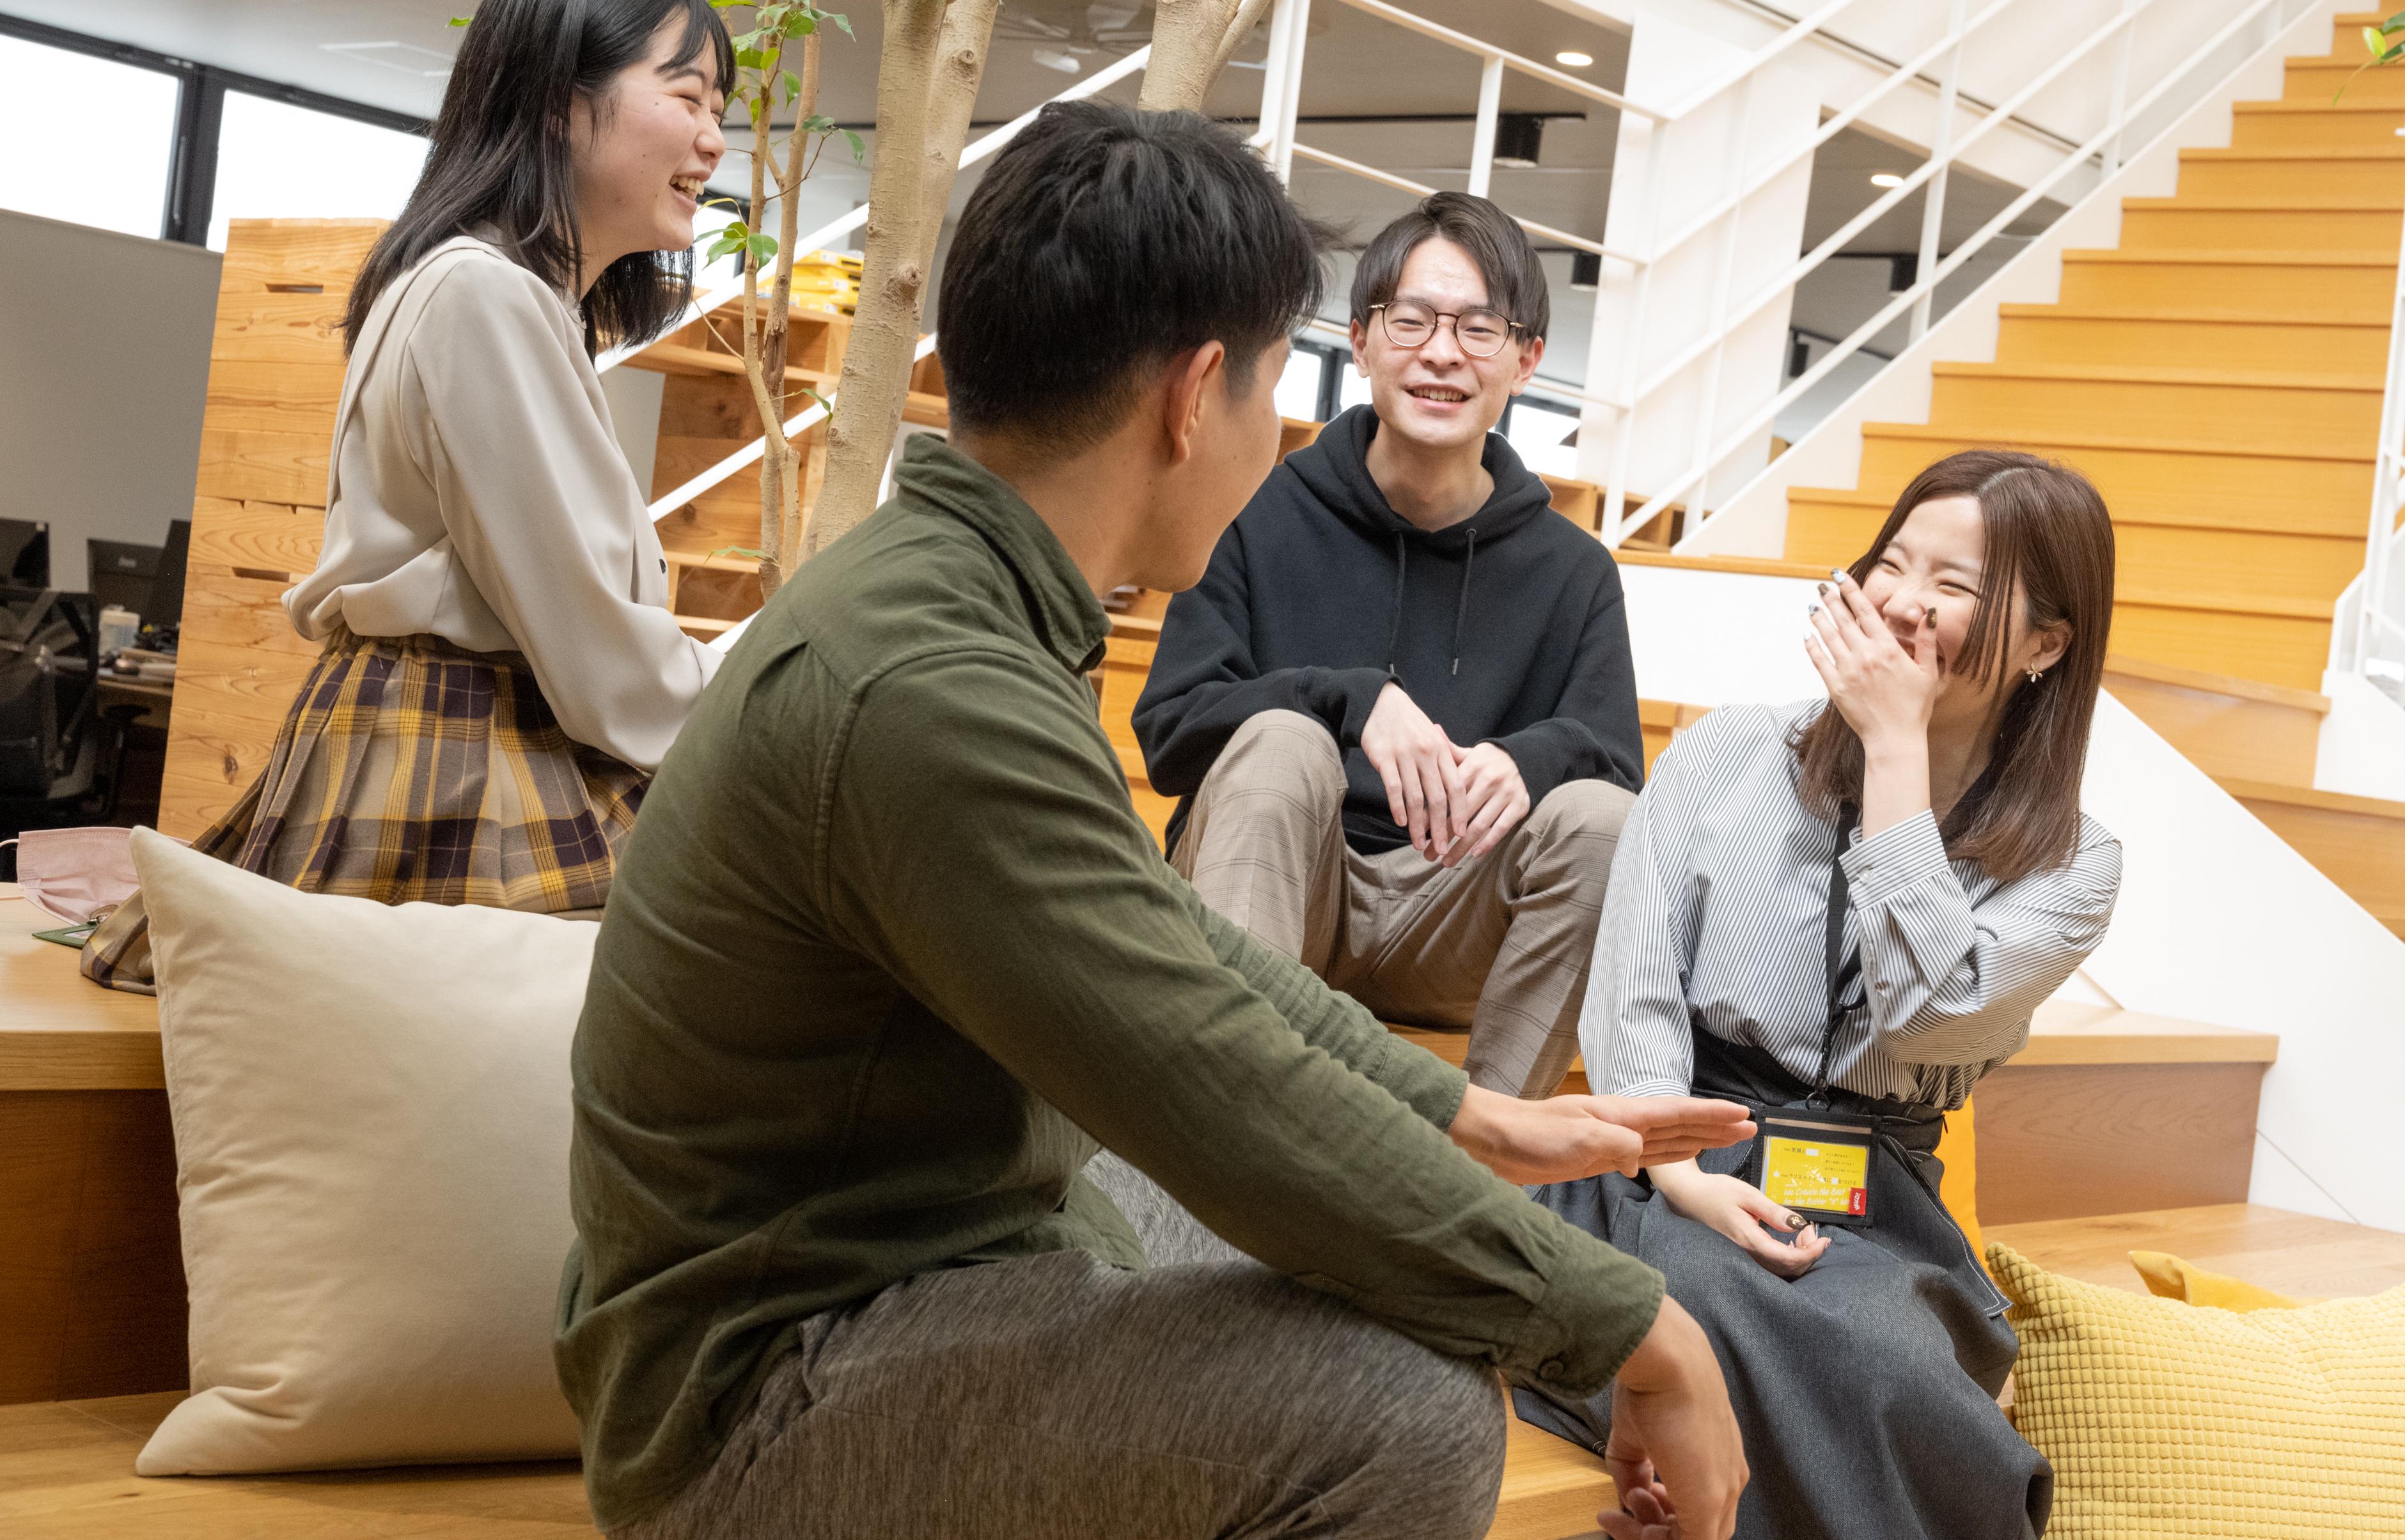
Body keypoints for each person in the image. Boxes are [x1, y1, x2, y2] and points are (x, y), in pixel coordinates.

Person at [558, 103, 1755, 1540]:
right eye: (1272, 386)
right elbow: (1212, 1076)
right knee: (1410, 1409)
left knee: (1375, 1276)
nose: (1277, 433)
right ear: (1195, 396)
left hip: (950, 1255)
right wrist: (1640, 1330)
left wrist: (1475, 1113)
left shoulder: (957, 602)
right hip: (767, 1397)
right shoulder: (931, 684)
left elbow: (1186, 955)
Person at [83, 0, 725, 987]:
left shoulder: (493, 291)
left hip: (430, 737)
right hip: (463, 754)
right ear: (560, 103)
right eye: (688, 97)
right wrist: (757, 685)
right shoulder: (484, 293)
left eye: (719, 111)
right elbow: (598, 659)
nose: (712, 141)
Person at [1516, 449, 2124, 1539]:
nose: (1903, 600)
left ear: (2045, 645)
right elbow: (1635, 996)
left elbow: (1924, 1014)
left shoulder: (2075, 865)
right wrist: (1680, 1172)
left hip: (1879, 1207)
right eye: (1893, 562)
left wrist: (1895, 751)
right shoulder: (1727, 751)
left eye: (1955, 584)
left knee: (1886, 1357)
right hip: (1672, 1158)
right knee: (1694, 1284)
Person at [1133, 192, 1640, 1101]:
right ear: (1362, 342)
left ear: (1525, 360)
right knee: (1283, 742)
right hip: (1272, 879)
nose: (1442, 353)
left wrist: (1527, 761)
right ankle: (1233, 1128)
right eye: (1412, 321)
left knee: (1604, 822)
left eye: (1479, 328)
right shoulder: (1252, 510)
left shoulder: (1576, 571)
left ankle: (1492, 1155)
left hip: (1450, 911)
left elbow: (1615, 765)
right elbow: (1171, 733)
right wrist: (1349, 700)